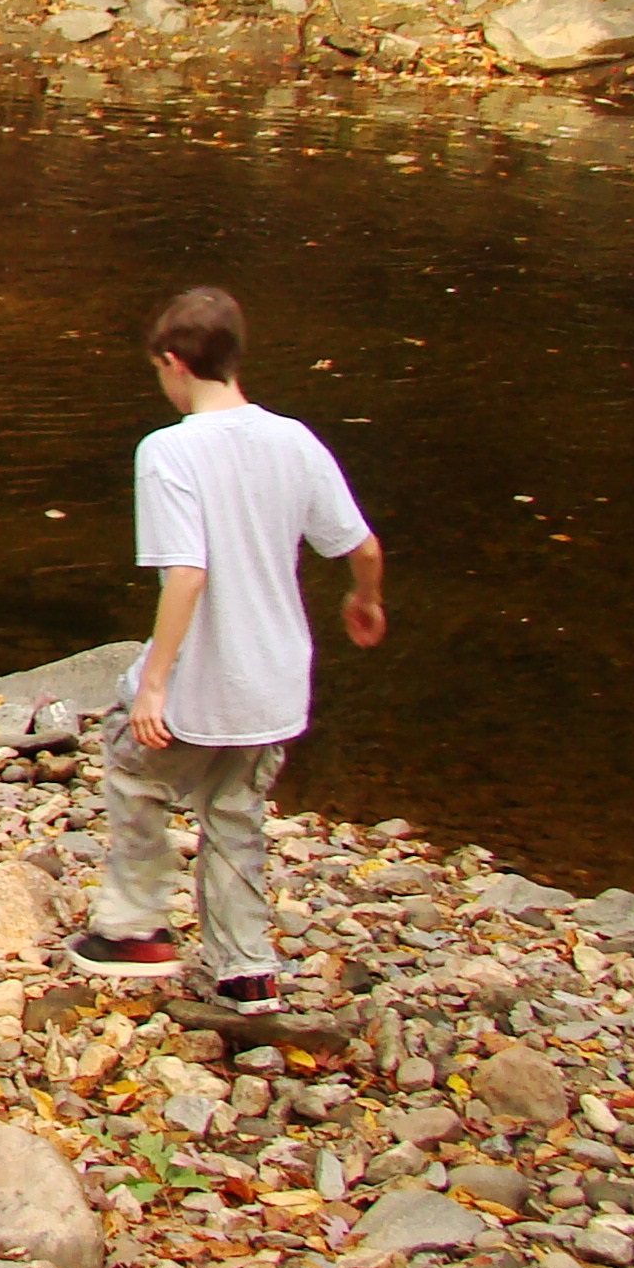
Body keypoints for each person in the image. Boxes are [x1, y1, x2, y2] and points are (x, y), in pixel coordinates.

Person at [68, 287, 384, 1012]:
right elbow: (363, 547)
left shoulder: (168, 450)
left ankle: (134, 929)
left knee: (132, 761)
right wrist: (364, 599)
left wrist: (154, 682)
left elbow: (187, 572)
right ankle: (247, 971)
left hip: (202, 686)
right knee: (235, 813)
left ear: (173, 363)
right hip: (272, 687)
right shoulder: (296, 441)